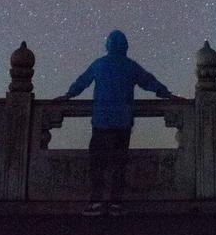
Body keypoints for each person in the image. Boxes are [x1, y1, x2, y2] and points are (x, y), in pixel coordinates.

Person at [54, 29, 183, 216]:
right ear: (125, 47)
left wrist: (68, 95)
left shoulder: (99, 64)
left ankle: (96, 202)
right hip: (122, 123)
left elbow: (82, 81)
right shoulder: (130, 66)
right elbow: (149, 81)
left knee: (97, 163)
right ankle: (115, 203)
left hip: (101, 122)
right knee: (118, 163)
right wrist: (168, 94)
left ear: (108, 46)